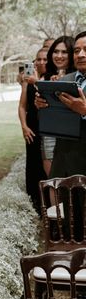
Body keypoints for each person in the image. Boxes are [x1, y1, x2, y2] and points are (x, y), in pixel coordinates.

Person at [36, 31, 86, 240]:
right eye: (77, 50)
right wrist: (43, 106)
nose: (81, 54)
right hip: (64, 157)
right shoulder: (64, 81)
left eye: (85, 50)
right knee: (66, 216)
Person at [40, 36, 75, 175]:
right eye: (56, 51)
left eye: (64, 52)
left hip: (72, 138)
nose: (59, 56)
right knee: (53, 182)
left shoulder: (79, 77)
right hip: (49, 134)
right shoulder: (46, 78)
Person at [19, 47, 47, 213]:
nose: (41, 62)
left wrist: (37, 82)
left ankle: (48, 206)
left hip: (48, 129)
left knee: (46, 167)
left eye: (45, 59)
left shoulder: (52, 78)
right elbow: (22, 106)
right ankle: (34, 203)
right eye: (38, 59)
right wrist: (24, 126)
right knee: (33, 165)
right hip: (31, 129)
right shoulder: (27, 80)